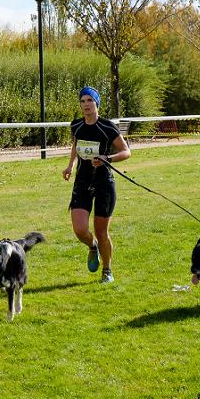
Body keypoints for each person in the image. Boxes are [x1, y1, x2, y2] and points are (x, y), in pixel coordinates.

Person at [62, 86, 131, 283]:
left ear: (96, 103)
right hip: (82, 182)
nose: (86, 105)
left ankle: (107, 270)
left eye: (89, 101)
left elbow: (126, 152)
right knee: (79, 229)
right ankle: (93, 247)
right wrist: (70, 165)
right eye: (82, 101)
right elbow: (76, 145)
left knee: (102, 231)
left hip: (103, 184)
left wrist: (107, 157)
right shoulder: (76, 125)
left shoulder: (107, 127)